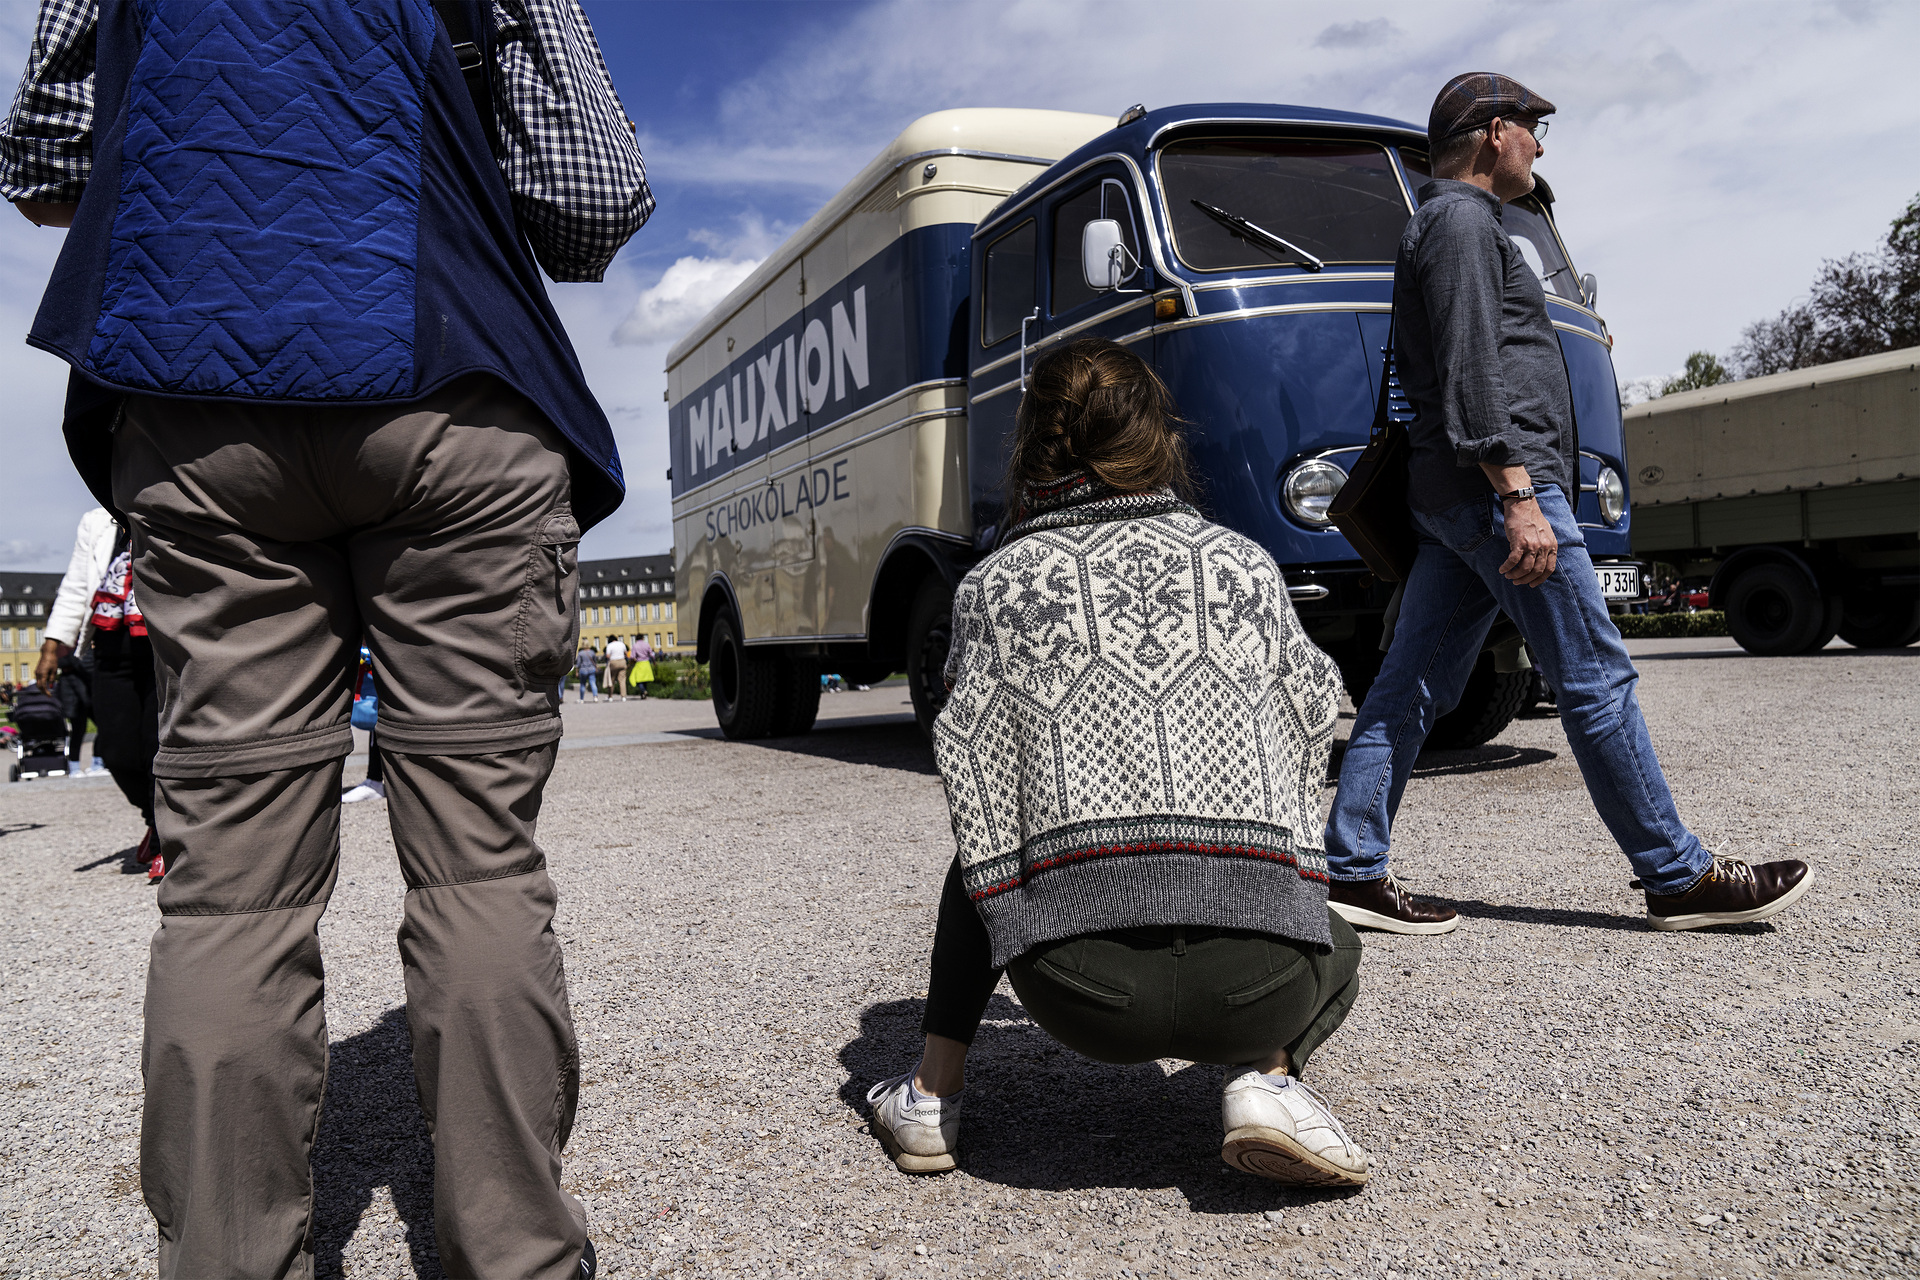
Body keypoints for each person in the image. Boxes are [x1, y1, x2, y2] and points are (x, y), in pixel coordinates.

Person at [1, 1, 653, 1274]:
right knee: (476, 866)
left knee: (229, 891)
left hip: (198, 407)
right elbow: (591, 199)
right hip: (449, 391)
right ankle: (513, 1251)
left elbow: (41, 164)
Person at [866, 339, 1370, 1187]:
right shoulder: (1243, 564)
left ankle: (930, 1097)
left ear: (1037, 440)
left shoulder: (991, 586)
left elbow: (969, 759)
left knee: (985, 848)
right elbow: (1318, 707)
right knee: (1342, 940)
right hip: (1260, 989)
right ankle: (1266, 1079)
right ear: (1156, 437)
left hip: (1080, 995)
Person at [1322, 73, 1812, 937]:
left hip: (1455, 498)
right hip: (1495, 493)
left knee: (1411, 686)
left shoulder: (1452, 225)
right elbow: (1474, 370)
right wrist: (1517, 494)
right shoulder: (1464, 222)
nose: (1541, 148)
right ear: (1490, 133)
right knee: (1595, 676)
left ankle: (1352, 871)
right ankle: (1676, 874)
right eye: (1533, 130)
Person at [40, 505, 163, 877]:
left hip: (164, 645)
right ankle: (154, 819)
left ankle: (167, 834)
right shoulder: (96, 521)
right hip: (110, 645)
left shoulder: (166, 503)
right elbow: (77, 584)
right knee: (116, 750)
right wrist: (51, 645)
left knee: (159, 745)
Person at [628, 633, 654, 698]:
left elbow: (632, 656)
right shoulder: (646, 644)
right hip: (646, 663)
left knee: (638, 679)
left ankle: (643, 691)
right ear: (643, 638)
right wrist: (654, 662)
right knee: (645, 679)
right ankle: (643, 693)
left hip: (639, 663)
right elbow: (651, 654)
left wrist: (630, 663)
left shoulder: (635, 645)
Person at [603, 634, 628, 702]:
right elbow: (626, 653)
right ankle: (623, 697)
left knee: (611, 680)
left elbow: (608, 656)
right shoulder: (622, 644)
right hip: (622, 661)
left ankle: (610, 696)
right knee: (622, 680)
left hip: (614, 662)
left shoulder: (609, 645)